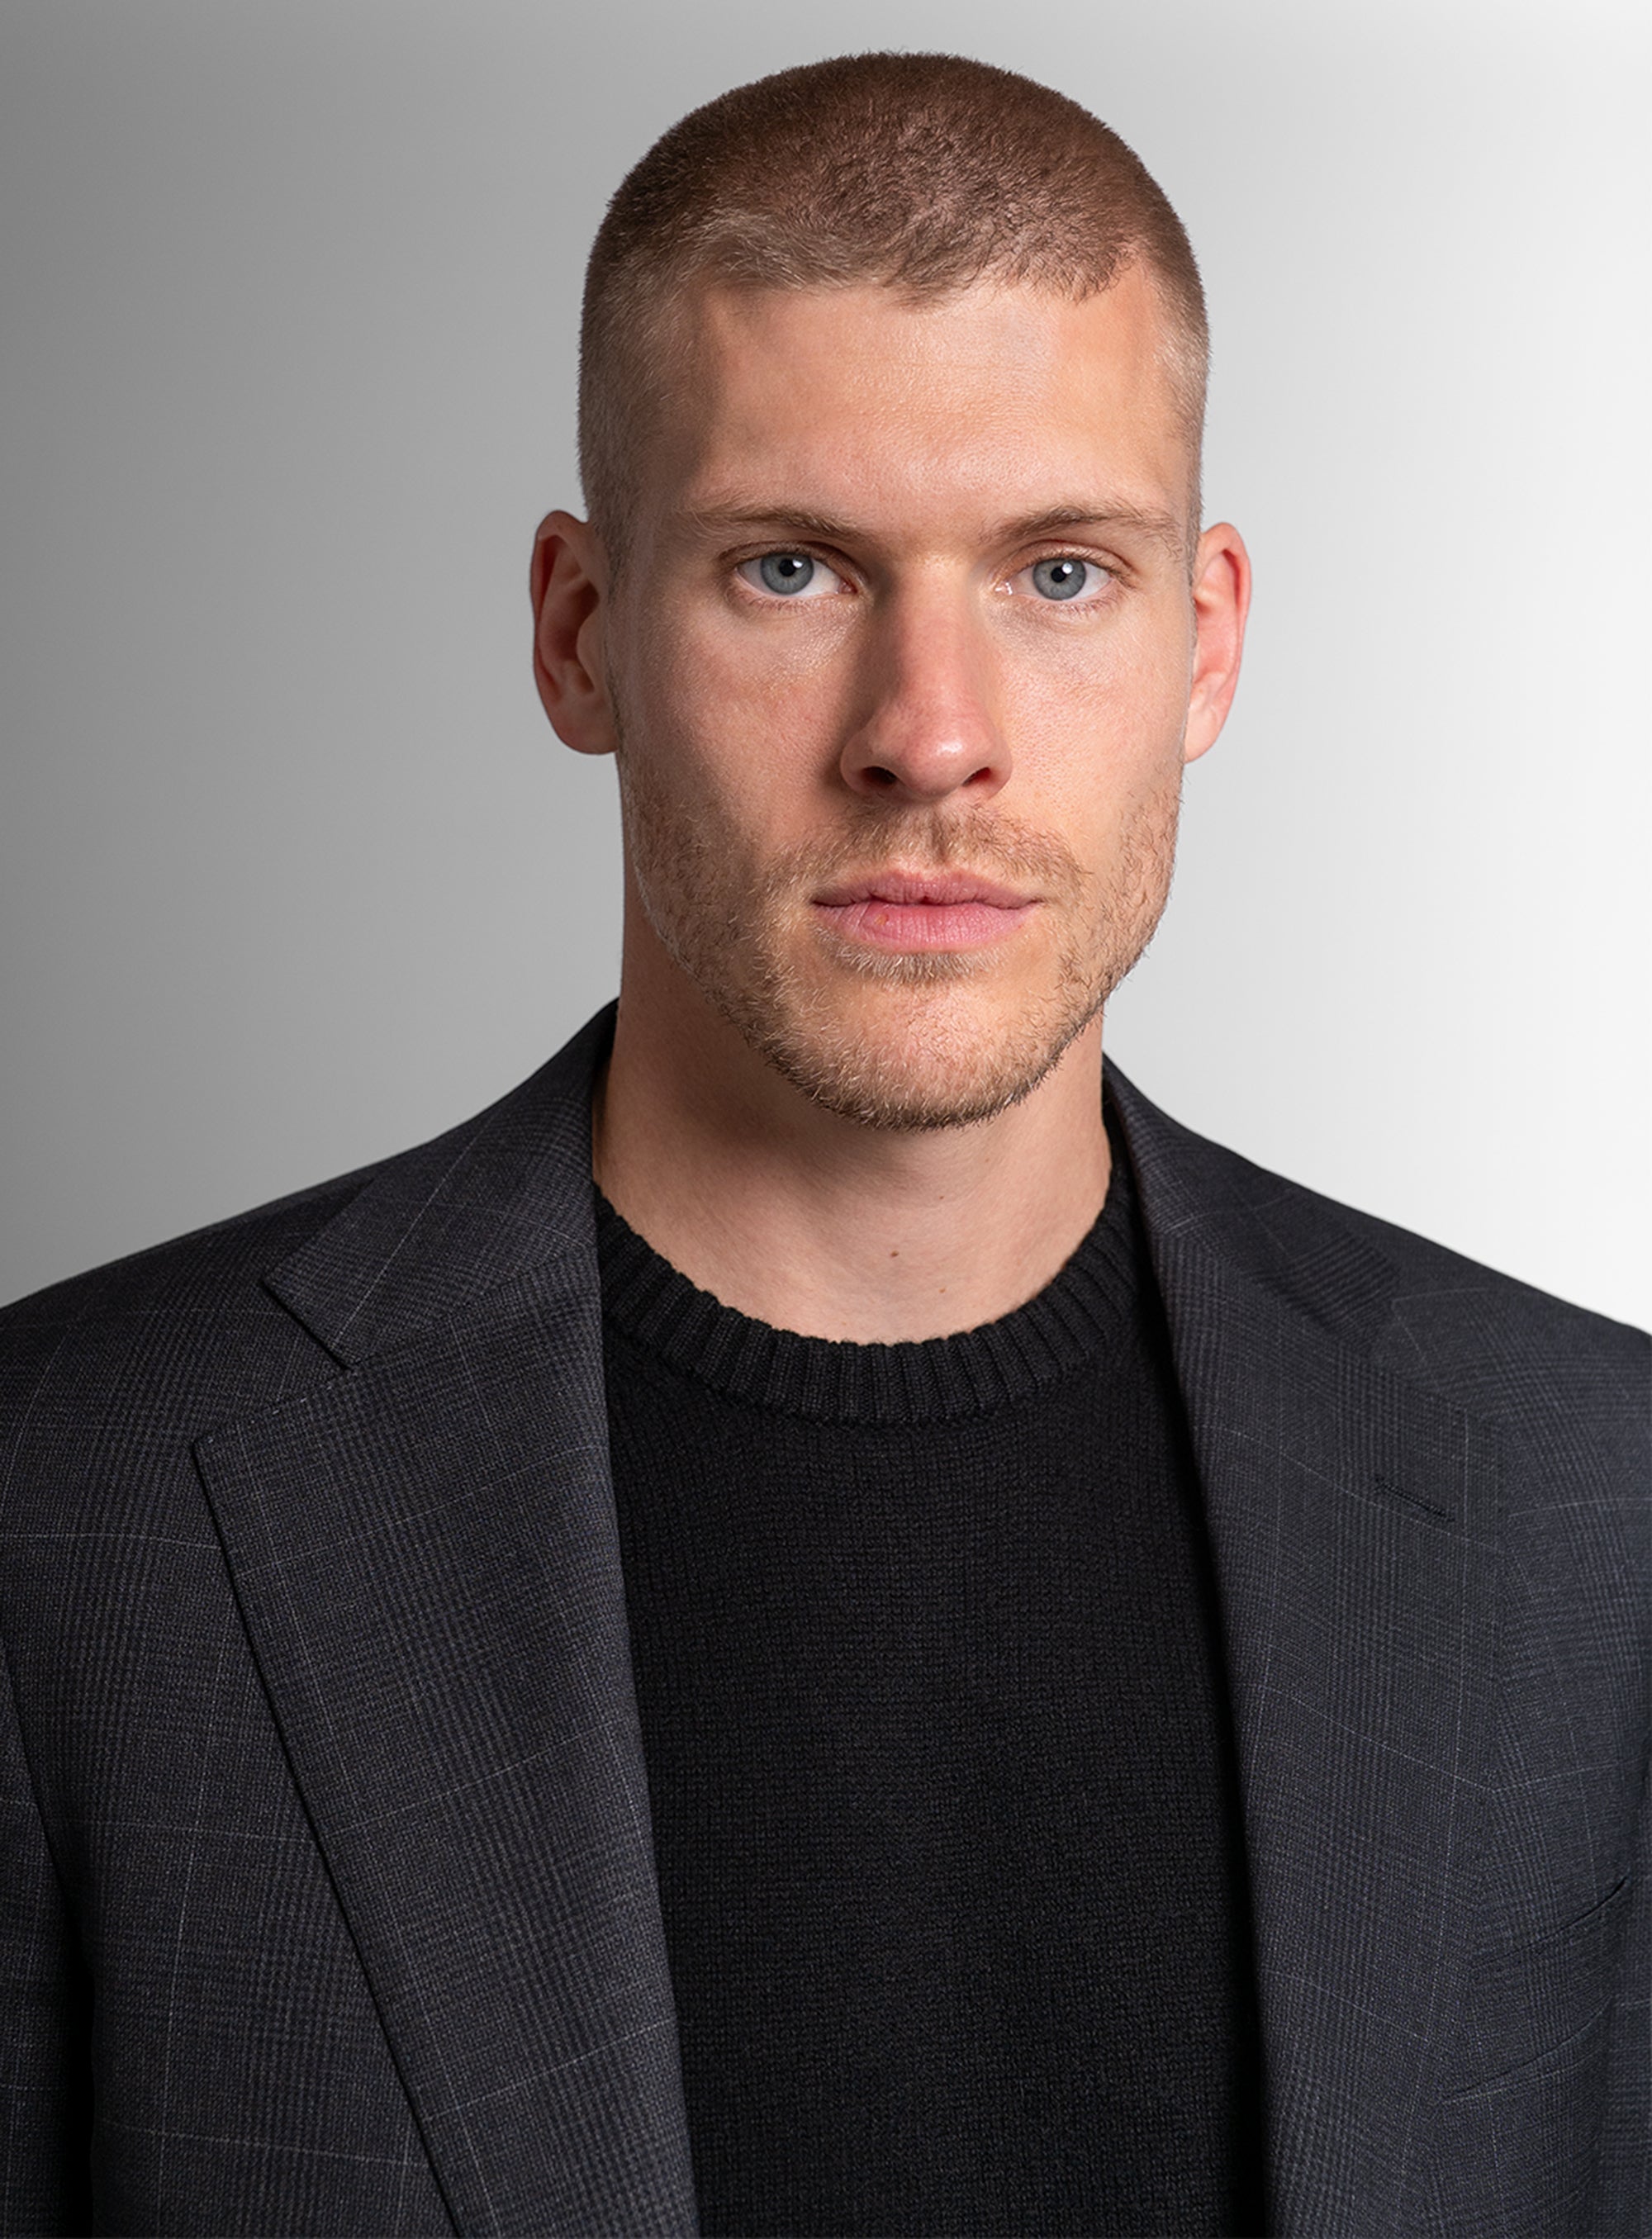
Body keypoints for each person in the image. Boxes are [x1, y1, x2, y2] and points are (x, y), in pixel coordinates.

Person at [0, 49, 1645, 2239]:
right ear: (581, 634)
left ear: (1208, 639)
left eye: (1062, 575)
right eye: (791, 569)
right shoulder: (70, 1505)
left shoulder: (1588, 1504)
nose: (930, 738)